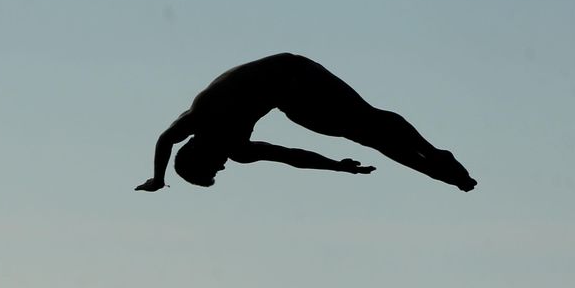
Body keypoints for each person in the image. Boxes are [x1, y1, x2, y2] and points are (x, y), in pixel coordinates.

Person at [135, 53, 476, 192]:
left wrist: (157, 178)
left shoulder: (200, 118)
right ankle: (433, 167)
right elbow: (291, 156)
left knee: (364, 121)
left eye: (213, 169)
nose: (223, 168)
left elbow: (165, 139)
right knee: (364, 133)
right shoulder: (237, 149)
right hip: (290, 97)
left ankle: (433, 154)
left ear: (199, 155)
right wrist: (338, 167)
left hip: (292, 73)